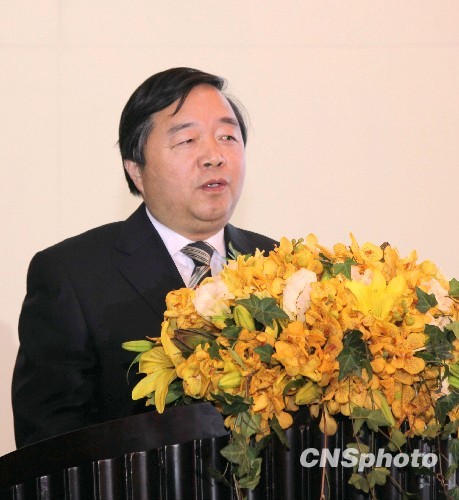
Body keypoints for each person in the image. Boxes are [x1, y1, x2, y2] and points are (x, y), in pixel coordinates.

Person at [12, 67, 277, 448]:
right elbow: (49, 448)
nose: (214, 156)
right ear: (136, 169)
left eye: (228, 137)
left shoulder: (282, 267)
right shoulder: (71, 276)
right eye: (187, 140)